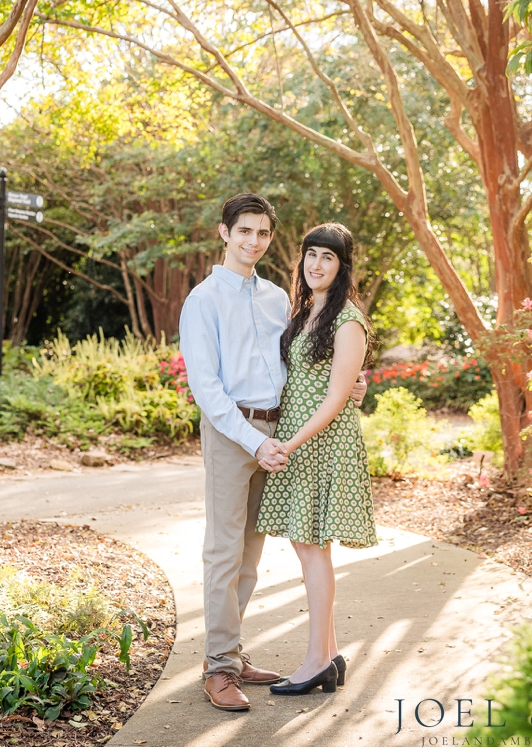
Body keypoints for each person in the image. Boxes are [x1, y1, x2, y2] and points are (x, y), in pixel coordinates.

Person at [178, 195, 367, 712]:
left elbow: (308, 362)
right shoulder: (203, 300)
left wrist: (354, 383)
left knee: (251, 554)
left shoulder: (277, 297)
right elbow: (206, 387)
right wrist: (253, 439)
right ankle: (218, 668)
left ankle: (232, 655)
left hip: (277, 437)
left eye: (262, 233)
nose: (253, 241)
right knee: (222, 551)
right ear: (224, 233)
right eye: (244, 231)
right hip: (233, 433)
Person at [255, 222, 376, 696]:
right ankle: (327, 655)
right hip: (300, 441)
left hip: (321, 444)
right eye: (311, 255)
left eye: (328, 257)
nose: (316, 264)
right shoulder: (304, 312)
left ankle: (315, 660)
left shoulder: (347, 319)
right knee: (308, 547)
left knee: (312, 549)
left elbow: (334, 398)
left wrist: (291, 442)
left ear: (342, 267)